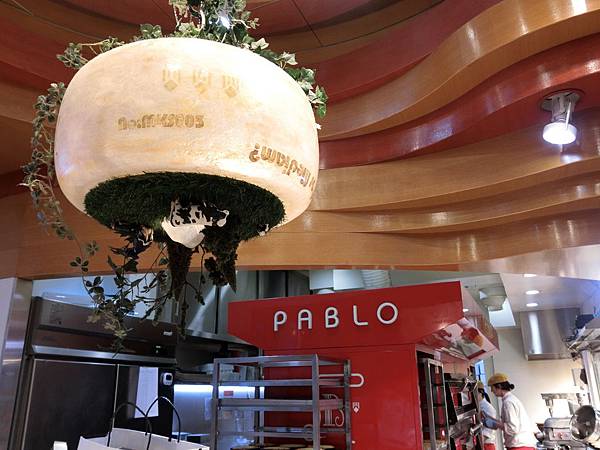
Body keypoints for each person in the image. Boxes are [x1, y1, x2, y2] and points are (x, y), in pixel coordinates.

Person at [482, 373, 537, 450]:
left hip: (519, 446)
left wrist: (495, 424)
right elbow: (509, 424)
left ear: (499, 386)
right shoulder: (511, 399)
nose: (491, 391)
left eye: (492, 387)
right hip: (522, 445)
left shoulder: (508, 402)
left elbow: (512, 429)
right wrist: (492, 420)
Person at [477, 380, 497, 450]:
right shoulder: (477, 405)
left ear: (480, 392)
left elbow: (488, 430)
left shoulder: (488, 408)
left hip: (487, 445)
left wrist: (478, 444)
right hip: (481, 443)